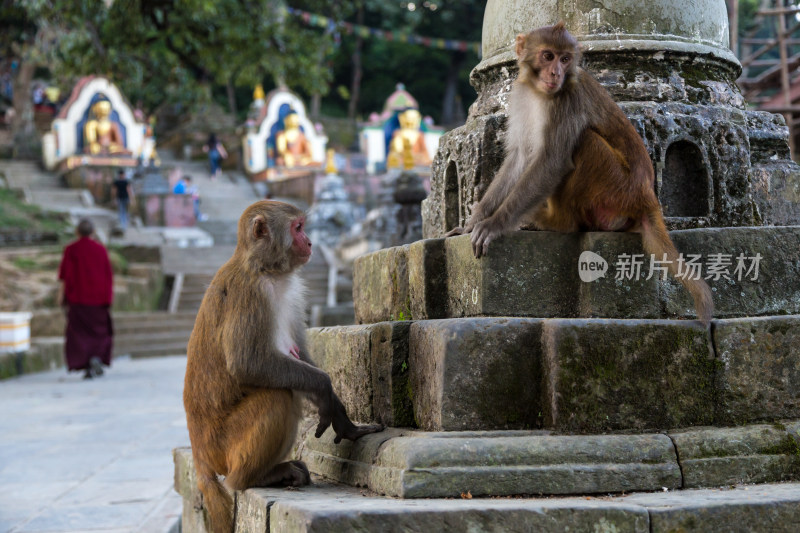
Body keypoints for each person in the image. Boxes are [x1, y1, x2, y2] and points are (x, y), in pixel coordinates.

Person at [57, 219, 114, 379]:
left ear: (77, 232)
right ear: (93, 232)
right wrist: (109, 298)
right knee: (100, 333)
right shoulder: (101, 250)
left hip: (77, 300)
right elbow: (108, 275)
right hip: (99, 300)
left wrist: (61, 296)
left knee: (79, 334)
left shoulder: (71, 249)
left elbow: (65, 275)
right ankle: (96, 357)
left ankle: (87, 364)